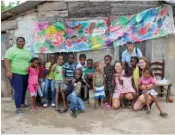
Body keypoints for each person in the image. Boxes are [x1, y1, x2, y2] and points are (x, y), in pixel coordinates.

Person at [4, 37, 32, 115]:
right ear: (16, 42)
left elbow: (30, 60)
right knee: (18, 90)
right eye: (19, 41)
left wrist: (29, 66)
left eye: (22, 41)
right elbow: (7, 60)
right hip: (15, 73)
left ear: (24, 42)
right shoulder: (11, 50)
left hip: (26, 74)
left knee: (23, 90)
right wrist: (9, 71)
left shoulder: (27, 51)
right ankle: (18, 108)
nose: (20, 43)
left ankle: (22, 104)